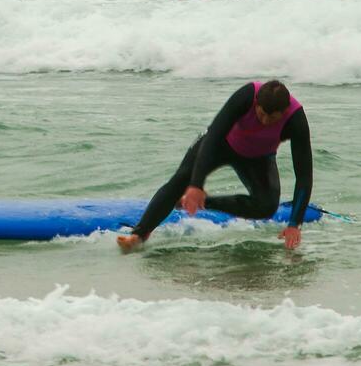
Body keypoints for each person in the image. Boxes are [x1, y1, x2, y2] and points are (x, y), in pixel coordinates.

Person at [118, 79, 313, 252]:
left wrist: (294, 224)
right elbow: (213, 136)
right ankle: (139, 235)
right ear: (256, 105)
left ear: (284, 111)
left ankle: (202, 202)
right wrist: (196, 185)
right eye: (261, 114)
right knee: (181, 179)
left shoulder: (295, 121)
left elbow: (304, 175)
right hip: (220, 144)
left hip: (258, 158)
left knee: (266, 206)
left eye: (272, 119)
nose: (264, 121)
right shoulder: (247, 96)